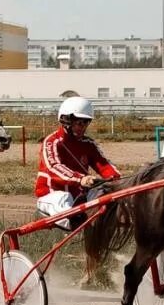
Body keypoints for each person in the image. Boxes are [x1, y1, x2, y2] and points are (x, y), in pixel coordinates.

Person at [35, 97, 120, 229]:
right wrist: (81, 179)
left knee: (104, 193)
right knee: (63, 198)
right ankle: (76, 221)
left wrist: (118, 180)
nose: (83, 127)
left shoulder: (88, 144)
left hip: (79, 197)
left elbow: (104, 165)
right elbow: (54, 167)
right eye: (79, 123)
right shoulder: (52, 142)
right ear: (66, 120)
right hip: (51, 195)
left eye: (86, 122)